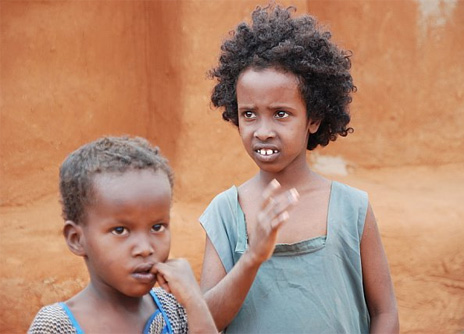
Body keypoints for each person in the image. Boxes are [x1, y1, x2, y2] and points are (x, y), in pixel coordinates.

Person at [199, 4, 399, 334]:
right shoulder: (225, 213)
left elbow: (385, 311)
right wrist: (252, 257)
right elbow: (206, 323)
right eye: (249, 114)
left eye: (281, 114)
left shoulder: (352, 208)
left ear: (314, 118)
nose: (262, 130)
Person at [29, 136, 217, 334]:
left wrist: (195, 302)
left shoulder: (174, 309)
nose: (145, 248)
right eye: (120, 230)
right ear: (76, 239)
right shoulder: (56, 326)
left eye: (157, 227)